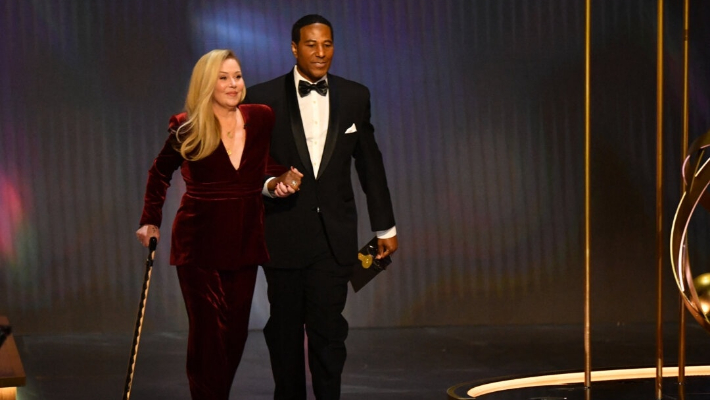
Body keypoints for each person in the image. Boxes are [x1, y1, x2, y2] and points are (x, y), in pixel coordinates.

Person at [246, 15, 398, 400]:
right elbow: (249, 167)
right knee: (283, 333)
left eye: (327, 44)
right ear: (294, 48)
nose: (320, 52)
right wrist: (270, 186)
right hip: (282, 235)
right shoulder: (262, 98)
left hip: (335, 239)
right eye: (311, 45)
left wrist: (385, 229)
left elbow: (370, 164)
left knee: (329, 332)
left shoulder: (354, 95)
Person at [135, 49, 302, 400]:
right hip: (199, 246)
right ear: (206, 84)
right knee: (209, 336)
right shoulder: (188, 126)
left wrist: (281, 180)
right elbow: (159, 172)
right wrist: (150, 219)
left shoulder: (260, 118)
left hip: (244, 242)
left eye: (237, 76)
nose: (233, 84)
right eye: (223, 78)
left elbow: (262, 168)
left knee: (235, 336)